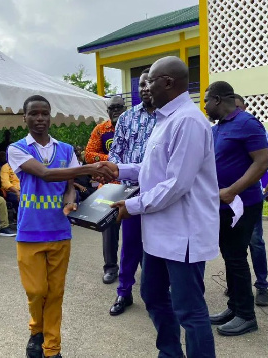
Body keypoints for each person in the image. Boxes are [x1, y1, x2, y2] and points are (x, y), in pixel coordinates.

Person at [101, 56, 219, 357]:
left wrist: (132, 205)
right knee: (152, 294)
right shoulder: (165, 120)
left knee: (190, 310)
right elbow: (153, 170)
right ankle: (169, 352)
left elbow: (177, 183)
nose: (145, 86)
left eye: (150, 80)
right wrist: (119, 170)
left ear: (168, 82)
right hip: (158, 233)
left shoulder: (189, 121)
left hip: (184, 234)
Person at [7, 95, 114, 358]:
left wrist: (70, 201)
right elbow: (45, 174)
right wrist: (89, 167)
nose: (39, 118)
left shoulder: (65, 150)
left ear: (50, 116)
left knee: (55, 293)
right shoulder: (17, 148)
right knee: (36, 291)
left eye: (44, 113)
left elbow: (69, 184)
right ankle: (36, 330)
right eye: (34, 113)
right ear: (25, 117)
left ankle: (51, 348)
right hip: (30, 231)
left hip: (59, 231)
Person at [205, 82, 268, 336]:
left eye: (206, 101)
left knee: (236, 258)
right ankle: (234, 307)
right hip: (222, 204)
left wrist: (232, 190)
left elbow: (262, 162)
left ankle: (246, 315)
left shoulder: (247, 123)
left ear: (218, 99)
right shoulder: (219, 127)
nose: (206, 107)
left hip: (242, 204)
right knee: (231, 257)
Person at [106, 68, 157, 316]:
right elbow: (115, 152)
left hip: (161, 193)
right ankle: (124, 292)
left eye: (150, 83)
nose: (145, 88)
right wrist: (119, 175)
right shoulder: (126, 118)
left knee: (159, 245)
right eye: (141, 84)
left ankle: (157, 294)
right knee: (130, 246)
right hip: (131, 193)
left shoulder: (169, 117)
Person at [233, 93, 268, 307]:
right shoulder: (219, 130)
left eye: (238, 107)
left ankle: (262, 286)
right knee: (233, 244)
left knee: (255, 241)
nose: (234, 112)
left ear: (245, 106)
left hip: (250, 197)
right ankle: (236, 284)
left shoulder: (254, 127)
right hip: (227, 198)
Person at [85, 95, 126, 284]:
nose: (116, 110)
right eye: (112, 108)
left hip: (134, 186)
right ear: (107, 111)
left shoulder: (133, 126)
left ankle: (136, 266)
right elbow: (89, 154)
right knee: (109, 231)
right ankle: (110, 268)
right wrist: (111, 160)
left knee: (136, 232)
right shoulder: (101, 130)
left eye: (119, 107)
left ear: (125, 108)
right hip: (109, 188)